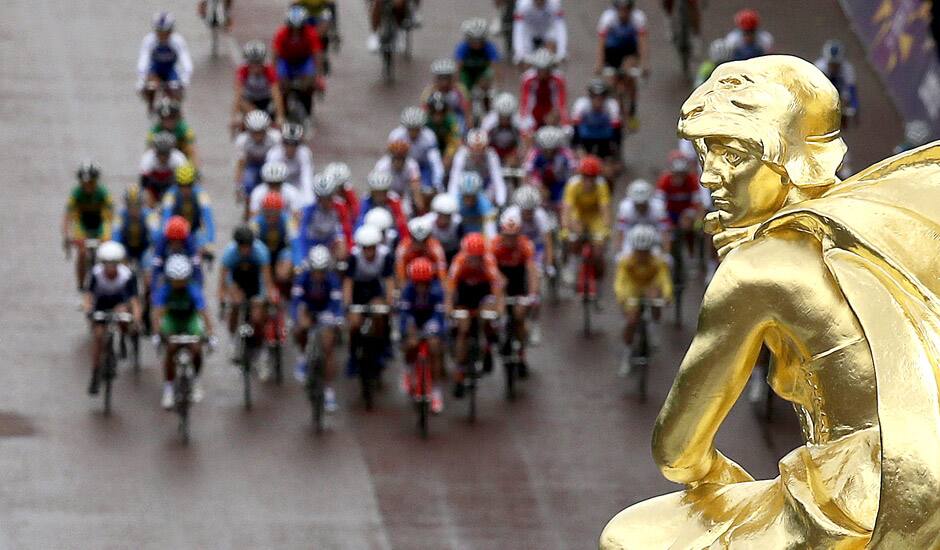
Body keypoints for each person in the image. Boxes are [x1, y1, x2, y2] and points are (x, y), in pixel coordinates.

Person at [600, 54, 940, 548]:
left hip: (866, 496)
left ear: (791, 162)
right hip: (924, 465)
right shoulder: (882, 225)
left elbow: (676, 452)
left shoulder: (757, 270)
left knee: (628, 537)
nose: (709, 177)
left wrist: (718, 475)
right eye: (706, 154)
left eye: (734, 156)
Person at [152, 254, 213, 409]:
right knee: (171, 348)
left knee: (196, 348)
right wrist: (156, 333)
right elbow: (157, 314)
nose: (178, 283)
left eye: (182, 280)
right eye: (175, 280)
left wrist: (210, 334)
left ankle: (196, 381)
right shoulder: (165, 289)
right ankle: (168, 388)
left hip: (189, 319)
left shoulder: (193, 289)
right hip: (172, 319)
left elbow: (203, 312)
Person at [447, 233, 504, 395]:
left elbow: (497, 287)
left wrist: (498, 310)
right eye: (472, 257)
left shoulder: (489, 261)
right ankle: (459, 373)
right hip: (464, 296)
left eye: (478, 257)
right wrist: (450, 310)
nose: (475, 261)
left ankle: (487, 347)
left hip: (483, 294)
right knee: (463, 330)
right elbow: (449, 289)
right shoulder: (458, 262)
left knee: (487, 315)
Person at [83, 241, 142, 395]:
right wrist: (88, 309)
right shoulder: (95, 274)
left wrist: (136, 319)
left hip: (120, 304)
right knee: (98, 336)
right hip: (101, 305)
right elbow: (89, 296)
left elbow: (134, 302)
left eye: (114, 264)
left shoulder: (127, 275)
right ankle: (95, 373)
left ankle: (122, 339)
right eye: (107, 264)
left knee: (124, 319)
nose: (110, 267)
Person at [613, 224, 672, 376]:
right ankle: (626, 355)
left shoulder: (658, 262)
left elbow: (664, 280)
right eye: (638, 251)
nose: (641, 255)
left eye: (645, 252)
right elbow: (620, 282)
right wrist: (622, 297)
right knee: (631, 321)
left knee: (655, 297)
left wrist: (666, 296)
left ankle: (653, 329)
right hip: (632, 288)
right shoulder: (625, 262)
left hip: (649, 287)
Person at [291, 245, 344, 411]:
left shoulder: (332, 279)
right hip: (308, 309)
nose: (318, 275)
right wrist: (299, 319)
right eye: (316, 270)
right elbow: (296, 302)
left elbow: (337, 304)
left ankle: (328, 390)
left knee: (328, 347)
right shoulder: (302, 278)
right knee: (300, 328)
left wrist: (337, 318)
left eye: (322, 271)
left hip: (325, 311)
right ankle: (302, 356)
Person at [342, 225, 396, 378]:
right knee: (354, 324)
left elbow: (389, 281)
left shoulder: (385, 256)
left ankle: (381, 348)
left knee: (380, 314)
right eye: (365, 248)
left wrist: (390, 303)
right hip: (358, 290)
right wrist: (348, 304)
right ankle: (352, 357)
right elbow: (348, 282)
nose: (369, 252)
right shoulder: (353, 257)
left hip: (374, 289)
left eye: (372, 248)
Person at [491, 210, 539, 377]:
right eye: (507, 236)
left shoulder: (526, 245)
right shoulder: (494, 245)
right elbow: (491, 270)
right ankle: (499, 327)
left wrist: (532, 294)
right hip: (501, 279)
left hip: (519, 281)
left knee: (519, 317)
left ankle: (521, 353)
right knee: (497, 302)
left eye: (514, 236)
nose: (510, 240)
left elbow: (532, 271)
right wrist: (499, 281)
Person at [398, 257, 448, 414]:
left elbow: (440, 315)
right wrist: (408, 331)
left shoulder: (437, 290)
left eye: (424, 283)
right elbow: (404, 314)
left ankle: (436, 391)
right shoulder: (407, 290)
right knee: (411, 343)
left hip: (431, 318)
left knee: (434, 347)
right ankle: (408, 370)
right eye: (417, 283)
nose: (420, 287)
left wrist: (435, 331)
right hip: (413, 318)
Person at [219, 225, 275, 360]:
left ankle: (261, 346)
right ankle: (232, 340)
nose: (245, 250)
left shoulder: (261, 252)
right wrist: (227, 295)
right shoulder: (229, 253)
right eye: (242, 247)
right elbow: (224, 279)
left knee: (258, 317)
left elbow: (266, 279)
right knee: (235, 305)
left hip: (255, 281)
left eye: (248, 246)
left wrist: (263, 298)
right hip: (238, 280)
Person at [595, 0, 648, 129]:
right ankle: (617, 110)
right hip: (612, 52)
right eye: (620, 10)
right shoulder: (607, 18)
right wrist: (599, 64)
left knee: (629, 72)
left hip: (629, 51)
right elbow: (601, 43)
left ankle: (632, 111)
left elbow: (642, 43)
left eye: (626, 10)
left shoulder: (638, 18)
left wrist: (644, 63)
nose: (623, 14)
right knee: (612, 83)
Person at [63, 161, 113, 291]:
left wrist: (109, 236)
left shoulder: (103, 193)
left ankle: (105, 280)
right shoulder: (76, 193)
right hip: (83, 224)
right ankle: (81, 285)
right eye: (84, 183)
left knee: (105, 250)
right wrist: (66, 234)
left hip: (100, 223)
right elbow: (68, 216)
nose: (88, 186)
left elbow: (110, 217)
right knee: (82, 252)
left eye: (91, 183)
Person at [562, 155, 611, 282]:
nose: (589, 181)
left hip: (595, 216)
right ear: (581, 175)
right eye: (586, 177)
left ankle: (599, 271)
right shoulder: (573, 184)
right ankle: (572, 265)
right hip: (578, 214)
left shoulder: (601, 185)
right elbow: (567, 208)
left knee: (598, 248)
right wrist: (565, 228)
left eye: (592, 177)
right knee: (575, 237)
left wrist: (606, 228)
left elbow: (604, 208)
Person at [136, 12, 193, 112]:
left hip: (170, 70)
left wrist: (185, 80)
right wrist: (141, 79)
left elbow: (186, 62)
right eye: (159, 32)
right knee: (150, 87)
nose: (162, 36)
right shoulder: (149, 40)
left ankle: (177, 112)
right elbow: (143, 61)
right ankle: (151, 106)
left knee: (176, 90)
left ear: (171, 31)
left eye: (166, 32)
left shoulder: (178, 41)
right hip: (155, 71)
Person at [272, 6, 324, 112]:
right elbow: (275, 53)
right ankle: (283, 107)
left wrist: (318, 75)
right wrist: (274, 74)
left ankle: (306, 102)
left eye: (299, 28)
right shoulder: (281, 33)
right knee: (282, 84)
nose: (296, 31)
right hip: (286, 60)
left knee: (309, 81)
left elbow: (317, 53)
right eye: (293, 28)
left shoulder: (311, 33)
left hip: (304, 60)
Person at [160, 163, 216, 264]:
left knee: (198, 256)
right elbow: (165, 220)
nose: (185, 189)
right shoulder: (169, 196)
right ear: (177, 184)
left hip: (194, 232)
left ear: (193, 184)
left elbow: (209, 221)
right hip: (175, 232)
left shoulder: (201, 196)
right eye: (182, 186)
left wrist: (209, 242)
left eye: (189, 185)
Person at [231, 40, 286, 134]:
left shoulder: (269, 71)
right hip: (250, 102)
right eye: (252, 63)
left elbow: (276, 94)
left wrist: (280, 116)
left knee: (275, 122)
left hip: (266, 100)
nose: (255, 67)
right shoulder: (243, 71)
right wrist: (233, 116)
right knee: (244, 107)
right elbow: (238, 95)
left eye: (258, 63)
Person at [251, 191, 298, 297]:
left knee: (285, 271)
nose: (271, 217)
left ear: (280, 212)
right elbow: (251, 244)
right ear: (263, 211)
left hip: (280, 252)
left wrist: (297, 264)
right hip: (262, 253)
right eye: (268, 213)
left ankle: (285, 292)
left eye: (274, 213)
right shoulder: (255, 222)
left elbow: (295, 242)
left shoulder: (288, 220)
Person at [389, 107, 445, 194]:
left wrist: (438, 182)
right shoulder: (396, 136)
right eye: (410, 129)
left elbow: (435, 161)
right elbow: (390, 157)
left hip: (423, 167)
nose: (413, 132)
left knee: (426, 191)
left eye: (416, 129)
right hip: (404, 166)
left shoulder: (429, 137)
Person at [656, 149, 702, 253]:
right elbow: (658, 204)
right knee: (666, 234)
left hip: (687, 213)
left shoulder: (692, 180)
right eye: (677, 175)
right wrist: (666, 221)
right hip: (670, 213)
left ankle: (695, 255)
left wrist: (694, 218)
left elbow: (698, 202)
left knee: (698, 232)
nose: (679, 178)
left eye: (682, 175)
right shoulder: (664, 181)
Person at [294, 175, 347, 265]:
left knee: (342, 250)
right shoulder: (309, 210)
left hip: (329, 243)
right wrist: (302, 258)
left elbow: (343, 230)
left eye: (329, 197)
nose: (327, 201)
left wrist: (345, 249)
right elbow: (302, 235)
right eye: (323, 198)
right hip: (312, 244)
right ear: (318, 198)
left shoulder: (339, 207)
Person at [449, 129, 507, 207]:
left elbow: (498, 180)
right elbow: (454, 180)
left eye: (481, 149)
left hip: (485, 187)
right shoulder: (461, 155)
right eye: (474, 149)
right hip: (466, 188)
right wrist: (452, 202)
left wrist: (501, 203)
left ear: (486, 147)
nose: (477, 152)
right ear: (468, 147)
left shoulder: (491, 155)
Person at [525, 125, 577, 212]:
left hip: (561, 182)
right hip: (541, 182)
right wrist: (537, 187)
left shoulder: (565, 152)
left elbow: (574, 171)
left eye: (552, 150)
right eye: (545, 150)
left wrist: (569, 189)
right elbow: (527, 173)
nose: (549, 153)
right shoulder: (534, 152)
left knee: (564, 205)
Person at [234, 110, 281, 200]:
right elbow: (240, 164)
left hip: (270, 164)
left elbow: (280, 159)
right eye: (254, 132)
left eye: (260, 131)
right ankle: (249, 208)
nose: (257, 136)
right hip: (251, 165)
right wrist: (238, 185)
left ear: (266, 129)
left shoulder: (275, 138)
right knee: (248, 184)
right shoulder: (242, 141)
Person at [571, 78, 622, 162]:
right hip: (586, 134)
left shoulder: (611, 105)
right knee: (584, 159)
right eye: (594, 97)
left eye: (601, 97)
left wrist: (616, 146)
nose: (598, 100)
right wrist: (575, 145)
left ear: (605, 97)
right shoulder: (582, 104)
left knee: (605, 160)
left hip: (605, 135)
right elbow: (575, 127)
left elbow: (617, 129)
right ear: (590, 97)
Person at [615, 179, 669, 256]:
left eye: (643, 203)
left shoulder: (658, 207)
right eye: (637, 203)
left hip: (654, 238)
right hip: (631, 238)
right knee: (624, 256)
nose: (640, 206)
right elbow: (621, 232)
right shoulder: (625, 207)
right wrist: (619, 252)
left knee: (660, 257)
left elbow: (665, 232)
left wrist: (666, 253)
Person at [519, 48, 568, 130]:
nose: (543, 73)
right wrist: (526, 122)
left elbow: (561, 104)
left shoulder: (558, 79)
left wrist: (563, 121)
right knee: (524, 128)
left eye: (546, 70)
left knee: (567, 130)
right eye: (540, 70)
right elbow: (525, 103)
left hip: (551, 115)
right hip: (534, 114)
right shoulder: (528, 79)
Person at [112, 185, 160, 269]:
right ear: (126, 205)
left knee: (149, 273)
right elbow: (115, 235)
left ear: (141, 205)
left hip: (143, 248)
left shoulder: (150, 215)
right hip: (126, 248)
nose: (133, 209)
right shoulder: (119, 216)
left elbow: (156, 234)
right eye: (130, 205)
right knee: (122, 270)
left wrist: (154, 240)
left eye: (137, 205)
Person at [814, 39, 858, 127]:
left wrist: (854, 108)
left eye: (836, 64)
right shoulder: (818, 67)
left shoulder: (847, 70)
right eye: (831, 64)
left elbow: (852, 91)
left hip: (839, 90)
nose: (834, 67)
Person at [151, 215, 202, 290]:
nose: (176, 244)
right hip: (167, 272)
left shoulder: (190, 241)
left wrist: (198, 286)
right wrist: (154, 289)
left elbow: (196, 265)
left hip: (186, 275)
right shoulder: (161, 241)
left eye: (179, 241)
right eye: (173, 240)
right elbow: (156, 265)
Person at [420, 59, 473, 132]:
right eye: (441, 78)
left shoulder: (460, 90)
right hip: (435, 117)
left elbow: (467, 110)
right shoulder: (429, 91)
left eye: (447, 78)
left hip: (455, 116)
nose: (444, 82)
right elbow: (423, 111)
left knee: (460, 130)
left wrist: (469, 124)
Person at [139, 131, 189, 208]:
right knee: (146, 197)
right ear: (155, 151)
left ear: (171, 151)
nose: (162, 157)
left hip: (172, 186)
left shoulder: (179, 158)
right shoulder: (147, 158)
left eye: (165, 153)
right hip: (154, 187)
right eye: (160, 153)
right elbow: (144, 184)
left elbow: (186, 182)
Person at [481, 93, 531, 167]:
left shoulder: (519, 120)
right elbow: (482, 142)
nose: (505, 120)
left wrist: (520, 155)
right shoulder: (488, 121)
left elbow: (527, 141)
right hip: (493, 151)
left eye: (508, 117)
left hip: (511, 152)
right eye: (502, 116)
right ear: (497, 113)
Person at [374, 139, 425, 213]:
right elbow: (376, 188)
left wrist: (420, 209)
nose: (398, 162)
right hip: (386, 195)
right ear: (391, 157)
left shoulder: (412, 165)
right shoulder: (382, 166)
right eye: (396, 158)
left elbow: (416, 188)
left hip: (404, 194)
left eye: (401, 158)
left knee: (406, 211)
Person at [395, 216, 447, 286]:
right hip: (411, 282)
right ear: (410, 236)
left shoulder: (436, 248)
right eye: (415, 240)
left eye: (424, 240)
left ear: (429, 237)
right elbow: (400, 273)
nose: (420, 244)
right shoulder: (403, 248)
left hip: (431, 282)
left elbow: (442, 274)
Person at [355, 172, 409, 239]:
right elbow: (360, 221)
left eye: (383, 192)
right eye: (376, 193)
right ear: (371, 192)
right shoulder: (365, 201)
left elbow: (401, 222)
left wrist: (404, 241)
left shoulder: (394, 200)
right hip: (370, 233)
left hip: (390, 232)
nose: (380, 196)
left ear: (387, 192)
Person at [512, 0, 568, 64]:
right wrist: (519, 52)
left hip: (548, 31)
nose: (539, 2)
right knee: (524, 60)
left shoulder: (555, 3)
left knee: (550, 57)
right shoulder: (522, 5)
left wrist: (562, 52)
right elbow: (518, 30)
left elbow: (560, 28)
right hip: (529, 33)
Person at [455, 18, 501, 93]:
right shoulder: (462, 47)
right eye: (473, 41)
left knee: (486, 81)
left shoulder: (490, 47)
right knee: (463, 88)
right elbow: (458, 67)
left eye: (480, 40)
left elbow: (496, 67)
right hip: (467, 72)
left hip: (482, 71)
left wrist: (498, 87)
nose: (477, 44)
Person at [148, 98, 198, 166]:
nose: (167, 122)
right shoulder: (154, 132)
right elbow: (149, 153)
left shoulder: (185, 131)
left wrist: (194, 169)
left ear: (177, 118)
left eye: (172, 118)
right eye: (164, 118)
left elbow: (193, 153)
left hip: (182, 160)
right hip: (161, 161)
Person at [425, 92, 462, 170]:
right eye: (434, 113)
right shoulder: (424, 121)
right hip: (429, 150)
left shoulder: (450, 121)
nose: (438, 116)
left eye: (441, 113)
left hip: (445, 148)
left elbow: (455, 140)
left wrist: (449, 155)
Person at [454, 172, 498, 238]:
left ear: (478, 194)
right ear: (461, 194)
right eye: (466, 196)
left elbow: (491, 231)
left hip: (479, 237)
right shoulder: (455, 202)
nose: (469, 201)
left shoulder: (485, 204)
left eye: (472, 196)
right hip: (460, 237)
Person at [429, 193, 463, 263]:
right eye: (441, 215)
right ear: (436, 213)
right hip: (433, 255)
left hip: (453, 254)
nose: (444, 219)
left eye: (447, 216)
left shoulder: (458, 223)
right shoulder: (427, 224)